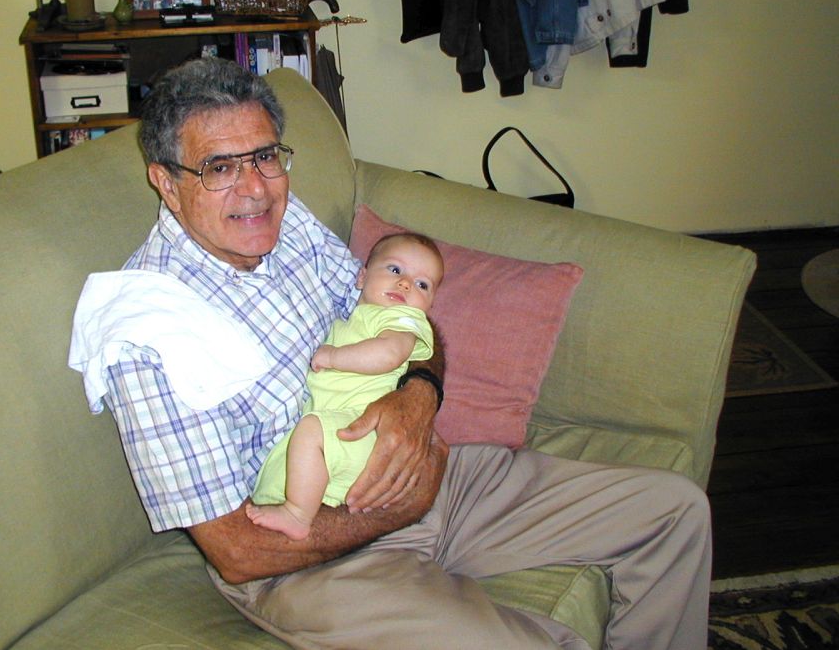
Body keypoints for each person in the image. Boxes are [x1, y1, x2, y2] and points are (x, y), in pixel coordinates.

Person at [70, 57, 712, 649]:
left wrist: (418, 398)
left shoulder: (285, 223)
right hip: (310, 554)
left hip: (424, 467)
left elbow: (405, 323)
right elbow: (238, 552)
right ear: (166, 182)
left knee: (674, 513)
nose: (255, 189)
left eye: (265, 157)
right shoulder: (148, 334)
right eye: (219, 167)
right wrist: (401, 505)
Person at [246, 233, 444, 540]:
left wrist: (333, 357)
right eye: (395, 270)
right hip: (338, 424)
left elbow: (389, 354)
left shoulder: (403, 321)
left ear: (428, 305)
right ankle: (288, 508)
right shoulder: (355, 319)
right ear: (362, 277)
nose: (406, 284)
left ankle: (298, 515)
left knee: (311, 432)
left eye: (422, 285)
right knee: (277, 474)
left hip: (366, 429)